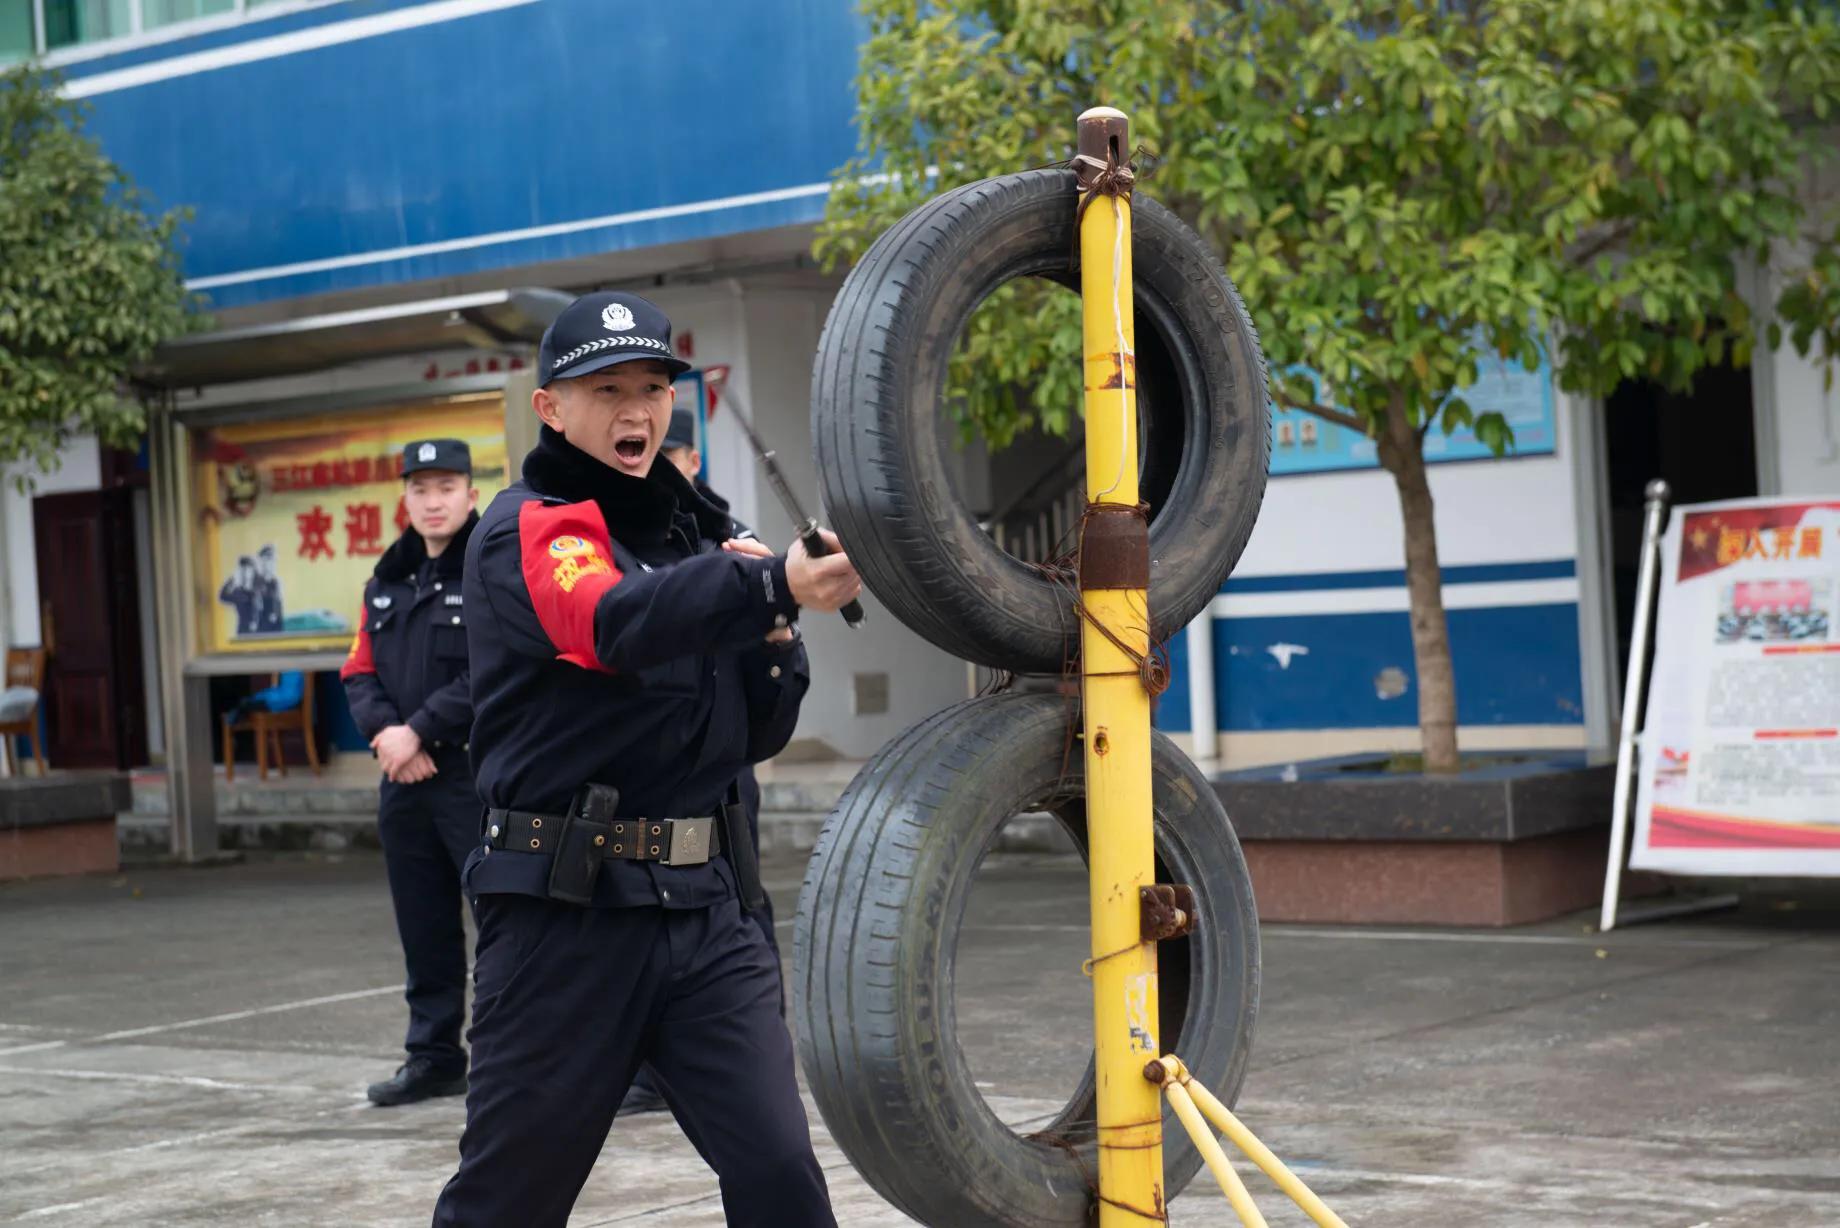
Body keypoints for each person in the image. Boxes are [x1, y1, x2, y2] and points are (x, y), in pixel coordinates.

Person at [432, 291, 858, 1228]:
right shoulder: (531, 524)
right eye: (608, 388)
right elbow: (609, 625)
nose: (637, 411)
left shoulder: (699, 533)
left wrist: (773, 622)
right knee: (509, 1199)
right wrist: (762, 583)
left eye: (655, 386)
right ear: (551, 406)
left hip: (708, 917)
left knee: (783, 1173)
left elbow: (754, 734)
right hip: (566, 919)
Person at [613, 409, 777, 1120]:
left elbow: (768, 667)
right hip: (658, 760)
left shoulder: (729, 542)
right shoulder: (618, 543)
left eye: (669, 455)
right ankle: (651, 1065)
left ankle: (759, 1039)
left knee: (740, 896)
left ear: (689, 461)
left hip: (725, 756)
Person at [339, 439, 482, 1107]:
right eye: (421, 489)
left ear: (471, 494)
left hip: (474, 775)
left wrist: (419, 728)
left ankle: (511, 1054)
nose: (434, 501)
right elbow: (358, 671)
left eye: (447, 487)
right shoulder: (384, 580)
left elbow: (498, 669)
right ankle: (432, 1056)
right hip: (403, 778)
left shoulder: (492, 568)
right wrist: (390, 737)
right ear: (404, 500)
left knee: (503, 920)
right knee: (422, 925)